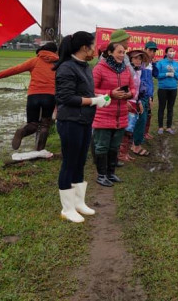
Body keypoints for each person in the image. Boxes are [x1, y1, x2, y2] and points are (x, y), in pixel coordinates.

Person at [54, 31, 110, 223]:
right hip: (70, 122)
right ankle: (67, 208)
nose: (95, 49)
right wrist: (94, 101)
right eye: (93, 46)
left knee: (80, 162)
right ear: (84, 48)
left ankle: (79, 202)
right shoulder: (66, 68)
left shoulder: (84, 67)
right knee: (69, 163)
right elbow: (66, 98)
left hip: (85, 121)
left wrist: (100, 98)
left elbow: (85, 92)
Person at [0, 42, 58, 151]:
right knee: (45, 125)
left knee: (32, 124)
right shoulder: (58, 63)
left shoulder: (34, 61)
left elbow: (13, 70)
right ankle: (39, 151)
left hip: (33, 96)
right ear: (55, 52)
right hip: (50, 96)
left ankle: (21, 131)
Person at [92, 43, 135, 187]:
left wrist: (130, 94)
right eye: (119, 52)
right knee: (102, 146)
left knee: (114, 147)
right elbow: (91, 90)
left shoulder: (126, 70)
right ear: (110, 52)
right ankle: (101, 175)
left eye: (124, 52)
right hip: (103, 114)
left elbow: (133, 88)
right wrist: (111, 93)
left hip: (121, 114)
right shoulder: (99, 68)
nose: (122, 55)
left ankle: (111, 173)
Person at [118, 49, 148, 163]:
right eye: (135, 58)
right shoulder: (126, 71)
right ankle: (121, 154)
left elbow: (138, 89)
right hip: (127, 101)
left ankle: (124, 152)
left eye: (140, 58)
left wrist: (139, 101)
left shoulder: (139, 71)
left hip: (135, 101)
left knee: (130, 128)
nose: (138, 60)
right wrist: (126, 101)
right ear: (130, 59)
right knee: (125, 128)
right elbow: (123, 87)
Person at [155, 46, 178, 135]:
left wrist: (173, 72)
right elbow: (156, 75)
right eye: (170, 51)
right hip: (163, 88)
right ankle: (160, 127)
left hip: (173, 89)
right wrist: (166, 74)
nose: (172, 52)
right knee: (161, 108)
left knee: (170, 108)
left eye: (173, 51)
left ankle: (169, 127)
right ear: (166, 53)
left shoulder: (176, 64)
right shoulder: (160, 63)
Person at [143, 41, 159, 140]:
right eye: (150, 50)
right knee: (142, 115)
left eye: (154, 51)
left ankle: (145, 132)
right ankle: (136, 137)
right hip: (143, 94)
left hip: (150, 93)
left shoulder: (151, 64)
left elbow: (156, 75)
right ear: (145, 50)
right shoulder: (141, 62)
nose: (152, 53)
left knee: (148, 113)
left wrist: (154, 64)